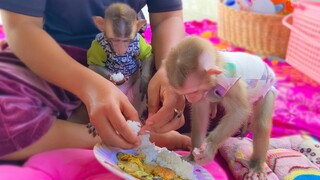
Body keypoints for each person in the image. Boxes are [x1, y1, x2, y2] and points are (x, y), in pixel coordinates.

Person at [0, 0, 189, 161]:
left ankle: (121, 127)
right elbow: (22, 26)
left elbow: (168, 18)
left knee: (208, 91)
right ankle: (134, 137)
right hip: (49, 59)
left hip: (129, 65)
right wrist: (89, 86)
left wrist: (169, 72)